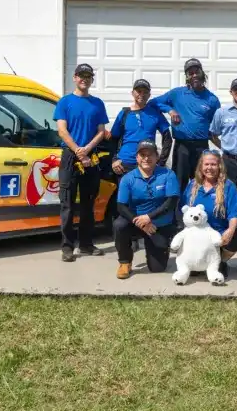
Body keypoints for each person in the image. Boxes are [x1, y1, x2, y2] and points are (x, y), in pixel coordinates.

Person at [54, 63, 110, 262]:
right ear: (74, 78)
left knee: (88, 203)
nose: (84, 79)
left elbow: (101, 131)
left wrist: (87, 149)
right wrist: (78, 150)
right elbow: (62, 130)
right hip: (70, 156)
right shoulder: (65, 102)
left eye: (88, 76)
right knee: (67, 204)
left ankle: (86, 244)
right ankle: (67, 247)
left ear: (92, 79)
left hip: (91, 156)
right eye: (81, 75)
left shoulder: (97, 104)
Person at [148, 58, 221, 194]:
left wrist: (222, 147)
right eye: (190, 73)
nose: (194, 75)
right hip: (182, 146)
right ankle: (177, 214)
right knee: (179, 181)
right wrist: (170, 110)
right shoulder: (177, 94)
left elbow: (215, 127)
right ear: (187, 77)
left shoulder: (212, 99)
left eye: (196, 72)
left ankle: (200, 212)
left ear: (202, 73)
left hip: (201, 145)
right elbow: (153, 103)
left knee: (202, 180)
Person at [113, 140, 181, 279]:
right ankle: (125, 262)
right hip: (136, 221)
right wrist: (140, 221)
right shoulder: (128, 178)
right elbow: (121, 206)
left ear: (157, 157)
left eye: (150, 155)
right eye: (142, 155)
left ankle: (158, 249)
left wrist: (149, 217)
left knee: (157, 268)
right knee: (119, 225)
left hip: (158, 224)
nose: (146, 158)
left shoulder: (168, 175)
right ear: (137, 158)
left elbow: (171, 201)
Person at [181, 149, 237, 279]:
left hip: (218, 236)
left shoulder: (228, 186)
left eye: (213, 164)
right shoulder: (192, 185)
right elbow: (183, 211)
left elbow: (234, 214)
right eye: (206, 164)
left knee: (236, 235)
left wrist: (231, 230)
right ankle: (197, 262)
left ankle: (220, 261)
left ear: (219, 166)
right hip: (197, 236)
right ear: (201, 166)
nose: (210, 168)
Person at [109, 79, 173, 175]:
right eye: (139, 91)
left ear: (149, 95)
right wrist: (114, 160)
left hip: (147, 164)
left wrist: (161, 162)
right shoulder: (124, 113)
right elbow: (113, 139)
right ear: (132, 93)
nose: (142, 94)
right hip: (125, 164)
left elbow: (167, 138)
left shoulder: (155, 113)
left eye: (145, 92)